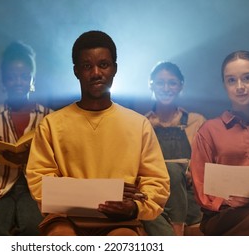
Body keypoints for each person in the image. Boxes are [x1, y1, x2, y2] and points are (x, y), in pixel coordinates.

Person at [26, 30, 170, 236]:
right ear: (76, 71)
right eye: (87, 66)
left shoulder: (139, 125)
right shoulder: (51, 124)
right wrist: (96, 193)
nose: (96, 73)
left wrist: (134, 207)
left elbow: (156, 181)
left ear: (114, 69)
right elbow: (40, 181)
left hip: (120, 220)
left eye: (103, 65)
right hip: (66, 218)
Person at [190, 50, 249, 235]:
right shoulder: (209, 130)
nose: (240, 86)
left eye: (247, 78)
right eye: (231, 80)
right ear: (224, 85)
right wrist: (225, 200)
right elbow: (199, 184)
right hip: (225, 213)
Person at [0, 41, 52, 235]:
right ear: (3, 81)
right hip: (0, 187)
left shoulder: (48, 117)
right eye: (11, 78)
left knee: (35, 224)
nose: (18, 82)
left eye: (24, 77)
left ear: (32, 80)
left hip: (35, 189)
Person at [143, 62, 206, 236]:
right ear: (151, 85)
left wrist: (193, 170)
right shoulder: (142, 124)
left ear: (180, 86)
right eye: (160, 83)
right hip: (157, 197)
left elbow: (207, 162)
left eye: (172, 83)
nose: (166, 88)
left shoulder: (197, 121)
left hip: (190, 198)